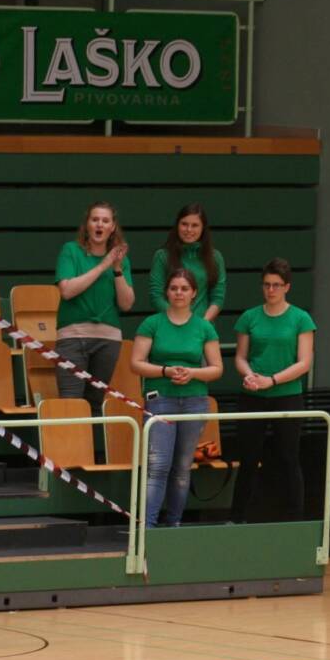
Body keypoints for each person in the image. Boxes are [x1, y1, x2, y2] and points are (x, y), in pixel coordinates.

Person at [130, 269, 222, 529]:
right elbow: (136, 363)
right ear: (167, 293)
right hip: (161, 399)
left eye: (184, 288)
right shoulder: (152, 323)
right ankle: (147, 528)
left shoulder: (204, 327)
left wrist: (192, 373)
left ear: (194, 293)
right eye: (174, 288)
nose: (179, 293)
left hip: (194, 401)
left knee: (182, 468)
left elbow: (217, 368)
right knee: (158, 466)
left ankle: (174, 525)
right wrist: (165, 371)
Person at [231, 259, 315, 523]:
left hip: (287, 395)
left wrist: (273, 380)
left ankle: (294, 520)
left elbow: (304, 362)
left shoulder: (301, 318)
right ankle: (238, 517)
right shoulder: (250, 317)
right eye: (267, 284)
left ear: (287, 287)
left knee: (289, 457)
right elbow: (240, 357)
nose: (271, 290)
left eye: (276, 285)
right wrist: (249, 375)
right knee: (248, 459)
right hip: (253, 395)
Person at [55, 202, 135, 442]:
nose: (100, 224)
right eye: (95, 219)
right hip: (73, 337)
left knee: (95, 402)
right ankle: (68, 459)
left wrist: (117, 269)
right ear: (87, 224)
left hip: (108, 339)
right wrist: (104, 265)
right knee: (71, 403)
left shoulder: (120, 260)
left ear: (113, 227)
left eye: (105, 220)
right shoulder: (71, 250)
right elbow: (67, 291)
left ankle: (91, 457)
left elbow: (126, 304)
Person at [148, 203, 225, 324]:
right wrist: (179, 319)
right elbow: (156, 296)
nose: (189, 230)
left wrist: (201, 324)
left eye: (195, 225)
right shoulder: (162, 256)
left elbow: (218, 298)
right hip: (169, 326)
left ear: (203, 228)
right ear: (177, 225)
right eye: (184, 224)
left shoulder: (215, 257)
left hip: (202, 327)